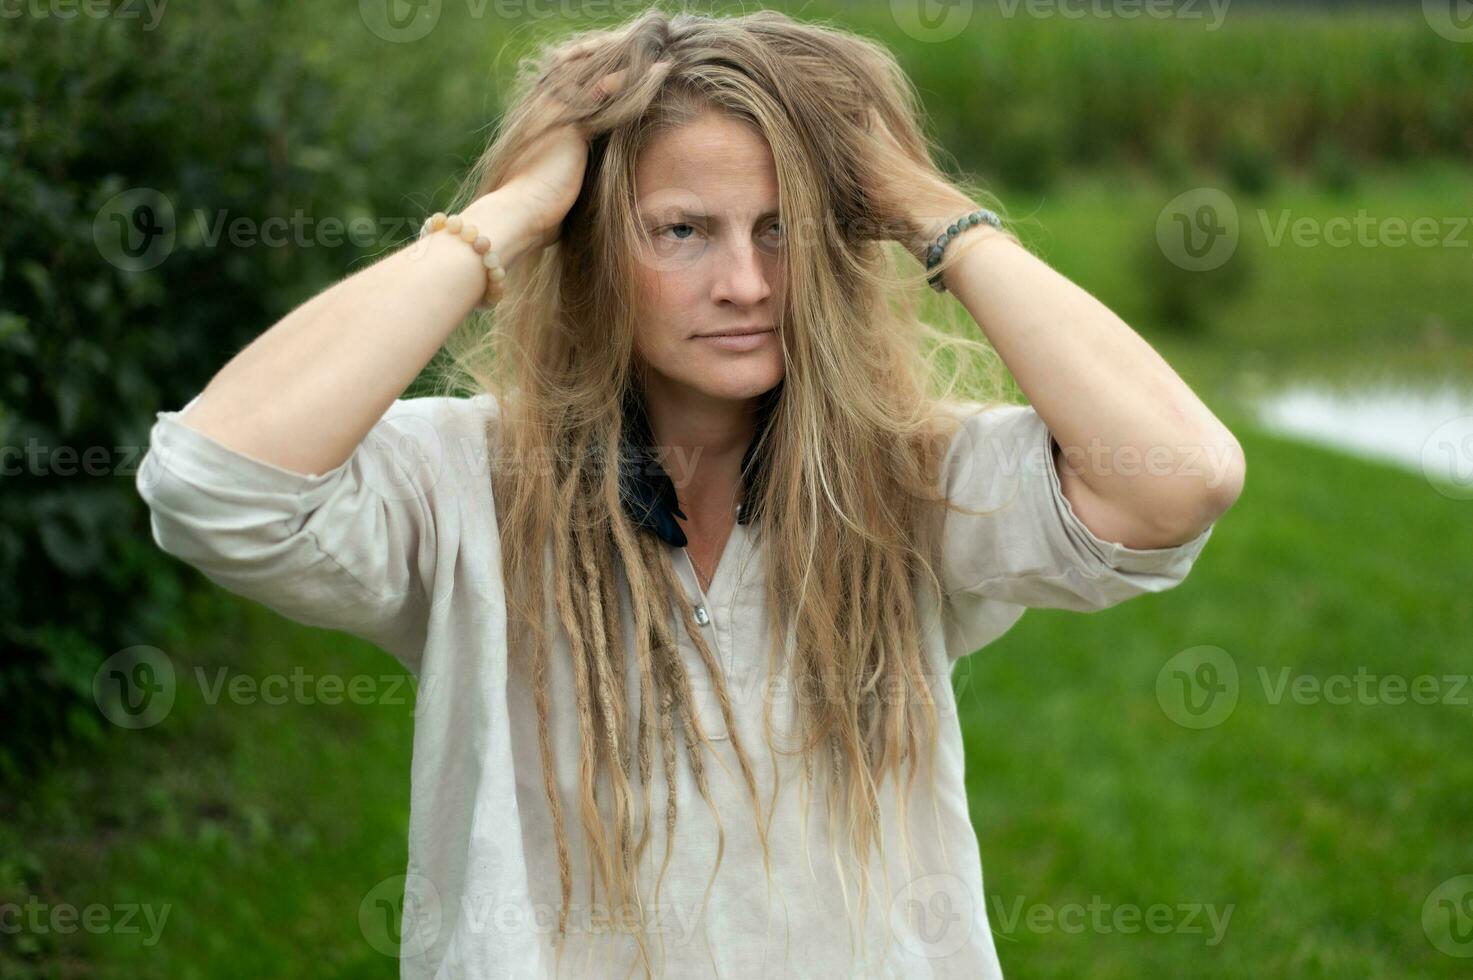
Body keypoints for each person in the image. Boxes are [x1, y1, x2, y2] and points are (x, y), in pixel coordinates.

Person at [134, 8, 1244, 979]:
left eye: (782, 230)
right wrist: (513, 214)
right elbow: (214, 481)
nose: (746, 284)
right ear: (595, 248)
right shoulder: (467, 480)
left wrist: (922, 204)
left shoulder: (908, 482)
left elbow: (1179, 479)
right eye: (682, 231)